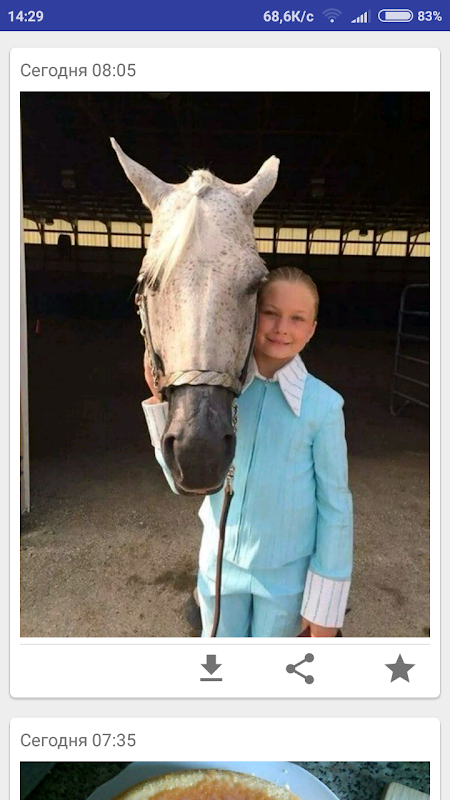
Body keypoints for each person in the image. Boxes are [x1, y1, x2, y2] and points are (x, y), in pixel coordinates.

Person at [142, 266, 353, 637]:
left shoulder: (323, 406)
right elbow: (181, 482)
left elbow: (335, 506)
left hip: (286, 580)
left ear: (312, 329)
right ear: (250, 316)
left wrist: (325, 605)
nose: (281, 328)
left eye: (297, 318)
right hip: (219, 570)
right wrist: (160, 401)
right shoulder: (220, 397)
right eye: (270, 313)